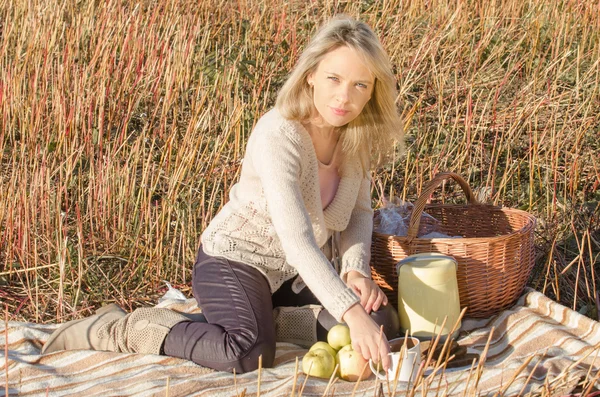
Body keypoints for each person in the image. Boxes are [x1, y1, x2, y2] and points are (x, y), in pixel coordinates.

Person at [42, 15, 404, 375]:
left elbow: (358, 214)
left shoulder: (356, 137)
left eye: (360, 84)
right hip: (235, 260)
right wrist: (349, 312)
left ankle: (268, 319)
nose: (344, 96)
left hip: (292, 276)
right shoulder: (280, 134)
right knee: (246, 353)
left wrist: (355, 273)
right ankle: (130, 327)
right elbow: (297, 240)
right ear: (311, 74)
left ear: (373, 90)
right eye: (334, 79)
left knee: (383, 322)